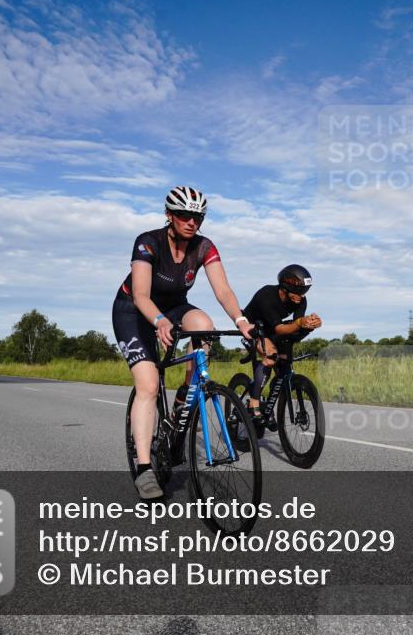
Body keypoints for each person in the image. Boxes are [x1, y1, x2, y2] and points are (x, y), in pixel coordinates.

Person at [112, 185, 253, 499]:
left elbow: (223, 291)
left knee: (204, 326)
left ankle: (181, 407)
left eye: (197, 216)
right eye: (184, 215)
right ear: (169, 215)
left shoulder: (204, 246)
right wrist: (159, 321)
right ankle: (145, 468)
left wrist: (241, 320)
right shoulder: (148, 242)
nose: (192, 222)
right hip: (133, 310)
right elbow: (141, 295)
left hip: (175, 307)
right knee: (148, 385)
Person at [242, 264, 322, 429]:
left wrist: (310, 325)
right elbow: (280, 328)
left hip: (272, 329)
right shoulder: (267, 295)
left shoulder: (300, 300)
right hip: (251, 327)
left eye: (305, 292)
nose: (302, 296)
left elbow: (295, 327)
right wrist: (300, 323)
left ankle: (269, 406)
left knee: (283, 366)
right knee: (270, 357)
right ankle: (254, 403)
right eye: (299, 292)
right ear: (285, 287)